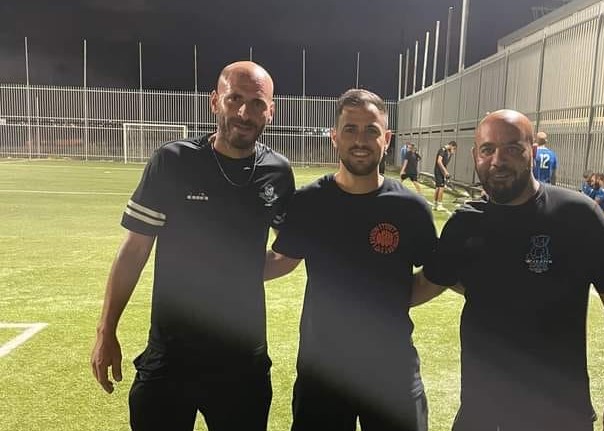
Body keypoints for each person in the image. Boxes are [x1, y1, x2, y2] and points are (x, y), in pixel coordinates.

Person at [90, 61, 295, 431]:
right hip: (171, 356)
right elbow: (135, 250)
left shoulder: (277, 172)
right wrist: (106, 330)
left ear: (271, 111)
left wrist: (237, 273)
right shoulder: (174, 161)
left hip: (242, 362)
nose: (244, 113)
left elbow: (287, 253)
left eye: (256, 103)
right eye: (234, 99)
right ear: (215, 101)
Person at [412, 110, 604, 431]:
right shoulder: (464, 224)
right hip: (481, 413)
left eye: (512, 148)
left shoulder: (577, 215)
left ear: (532, 151)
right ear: (475, 155)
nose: (498, 160)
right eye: (488, 149)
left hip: (559, 414)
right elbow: (427, 283)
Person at [264, 89, 437, 431]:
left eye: (371, 130)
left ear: (387, 139)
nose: (361, 140)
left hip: (392, 372)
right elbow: (283, 258)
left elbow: (434, 273)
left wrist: (391, 299)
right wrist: (220, 266)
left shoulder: (410, 208)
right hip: (322, 373)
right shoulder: (309, 203)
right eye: (350, 129)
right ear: (334, 137)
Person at [433, 140, 457, 209]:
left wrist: (451, 155)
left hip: (441, 171)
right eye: (454, 148)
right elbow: (439, 161)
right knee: (441, 187)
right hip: (438, 171)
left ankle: (435, 204)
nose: (454, 150)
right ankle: (439, 205)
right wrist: (445, 172)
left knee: (438, 187)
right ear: (451, 145)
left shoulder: (446, 152)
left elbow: (445, 163)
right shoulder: (442, 150)